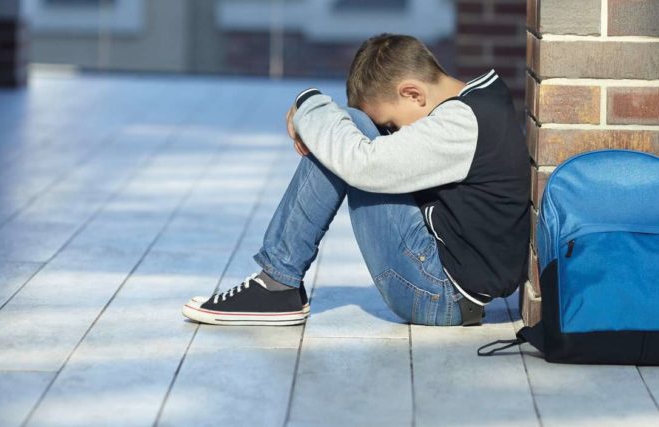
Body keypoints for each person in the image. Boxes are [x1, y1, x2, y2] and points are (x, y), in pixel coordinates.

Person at [181, 33, 531, 327]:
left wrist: (309, 105)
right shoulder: (479, 101)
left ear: (413, 94)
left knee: (347, 139)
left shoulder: (461, 123)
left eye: (391, 124)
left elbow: (362, 164)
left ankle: (277, 283)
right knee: (342, 136)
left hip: (439, 294)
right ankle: (277, 282)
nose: (390, 133)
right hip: (447, 287)